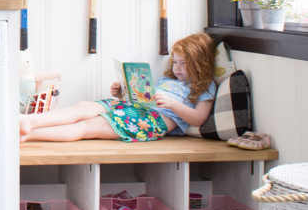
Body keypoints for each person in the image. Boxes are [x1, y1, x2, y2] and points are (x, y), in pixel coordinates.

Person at [19, 32, 216, 143]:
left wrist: (173, 105)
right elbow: (144, 98)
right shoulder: (168, 80)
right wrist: (125, 92)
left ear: (200, 64)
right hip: (137, 108)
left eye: (183, 63)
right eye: (175, 62)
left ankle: (27, 135)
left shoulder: (205, 86)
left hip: (151, 121)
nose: (177, 68)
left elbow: (198, 119)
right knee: (84, 107)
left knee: (87, 127)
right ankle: (30, 120)